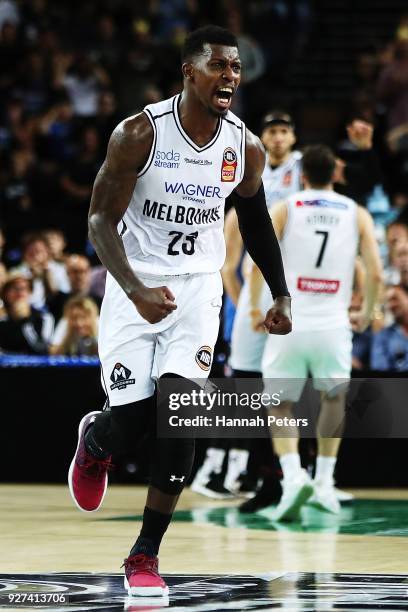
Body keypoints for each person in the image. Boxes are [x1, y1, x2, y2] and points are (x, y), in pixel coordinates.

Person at [68, 25, 292, 597]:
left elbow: (257, 222)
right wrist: (137, 289)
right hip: (133, 284)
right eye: (219, 66)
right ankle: (96, 442)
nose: (231, 77)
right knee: (132, 423)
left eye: (236, 68)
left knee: (180, 415)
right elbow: (97, 220)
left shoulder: (244, 146)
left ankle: (145, 553)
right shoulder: (139, 133)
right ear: (189, 72)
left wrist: (281, 292)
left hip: (197, 289)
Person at [250, 145, 383, 521]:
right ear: (334, 174)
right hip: (333, 323)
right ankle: (324, 483)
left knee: (279, 403)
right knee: (333, 398)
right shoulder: (356, 213)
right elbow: (374, 271)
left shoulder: (286, 208)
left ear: (302, 174)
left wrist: (261, 308)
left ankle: (293, 479)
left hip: (291, 320)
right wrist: (368, 311)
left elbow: (258, 257)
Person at [191, 111, 301, 502]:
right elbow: (229, 258)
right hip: (253, 301)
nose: (276, 137)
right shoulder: (242, 189)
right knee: (241, 389)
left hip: (285, 296)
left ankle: (263, 473)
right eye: (270, 130)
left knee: (276, 390)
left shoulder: (300, 185)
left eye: (283, 130)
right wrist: (242, 304)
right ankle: (217, 469)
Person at [0, 271, 54, 354]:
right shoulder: (2, 320)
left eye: (24, 288)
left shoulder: (44, 318)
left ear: (30, 293)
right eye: (14, 288)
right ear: (5, 294)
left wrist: (25, 321)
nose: (19, 293)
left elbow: (42, 350)